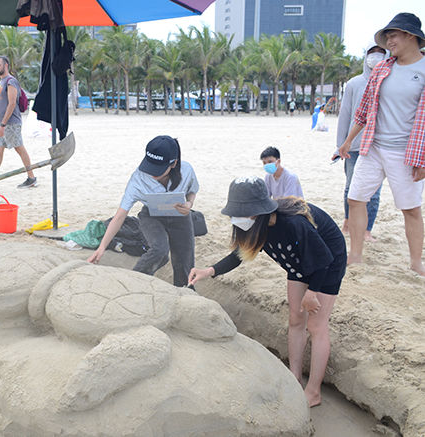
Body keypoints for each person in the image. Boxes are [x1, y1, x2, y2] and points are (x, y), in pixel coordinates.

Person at [188, 176, 345, 407]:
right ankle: (294, 378)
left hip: (327, 264)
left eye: (241, 214)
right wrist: (209, 271)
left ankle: (313, 392)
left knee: (316, 325)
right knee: (295, 318)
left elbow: (322, 259)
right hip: (298, 264)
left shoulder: (293, 224)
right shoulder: (254, 226)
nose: (236, 219)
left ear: (257, 212)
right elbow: (238, 255)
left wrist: (313, 292)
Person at [338, 12, 425, 276]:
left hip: (407, 153)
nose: (389, 41)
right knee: (355, 199)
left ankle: (415, 264)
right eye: (387, 36)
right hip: (372, 148)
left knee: (410, 209)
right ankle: (355, 255)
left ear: (411, 36)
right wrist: (348, 140)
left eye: (393, 35)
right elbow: (364, 111)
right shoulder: (383, 68)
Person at [87, 135, 199, 287]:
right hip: (151, 216)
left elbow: (192, 190)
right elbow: (120, 216)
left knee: (185, 265)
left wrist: (189, 204)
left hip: (180, 215)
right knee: (160, 251)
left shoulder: (186, 170)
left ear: (173, 163)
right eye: (149, 166)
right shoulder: (138, 178)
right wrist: (102, 247)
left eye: (157, 168)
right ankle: (131, 284)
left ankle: (185, 296)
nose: (152, 172)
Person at [334, 40, 389, 242]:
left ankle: (367, 230)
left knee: (373, 192)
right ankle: (348, 222)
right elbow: (345, 116)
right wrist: (340, 144)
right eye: (372, 52)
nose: (376, 56)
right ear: (366, 56)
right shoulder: (354, 84)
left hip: (378, 145)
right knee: (351, 187)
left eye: (381, 52)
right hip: (354, 145)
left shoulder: (390, 81)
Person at [0, 55, 37, 189]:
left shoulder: (11, 81)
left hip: (10, 123)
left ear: (6, 65)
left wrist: (3, 125)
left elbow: (11, 104)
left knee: (19, 148)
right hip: (2, 124)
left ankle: (31, 177)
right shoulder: (1, 82)